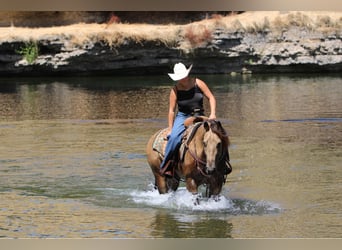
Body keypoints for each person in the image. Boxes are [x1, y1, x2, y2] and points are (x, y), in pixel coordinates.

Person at [159, 62, 217, 174]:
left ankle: (222, 163)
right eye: (180, 77)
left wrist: (213, 114)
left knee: (219, 135)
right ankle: (166, 166)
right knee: (174, 138)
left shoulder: (198, 83)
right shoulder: (175, 90)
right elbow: (171, 110)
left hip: (200, 115)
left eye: (184, 76)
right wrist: (171, 128)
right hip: (183, 116)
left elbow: (211, 98)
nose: (182, 79)